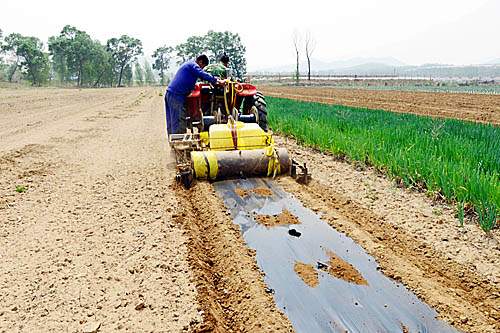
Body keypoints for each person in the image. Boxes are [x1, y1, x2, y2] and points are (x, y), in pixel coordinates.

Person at [165, 54, 221, 134]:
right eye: (202, 66)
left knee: (172, 120)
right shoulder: (193, 65)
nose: (202, 69)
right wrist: (216, 80)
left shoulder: (189, 65)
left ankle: (173, 140)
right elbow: (202, 74)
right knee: (178, 120)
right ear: (200, 62)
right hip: (176, 95)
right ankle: (179, 141)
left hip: (171, 93)